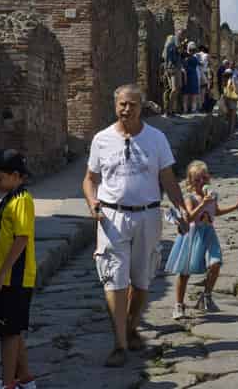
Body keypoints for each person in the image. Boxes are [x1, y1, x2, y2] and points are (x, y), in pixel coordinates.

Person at [83, 85, 187, 367]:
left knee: (141, 281)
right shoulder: (101, 139)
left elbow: (167, 177)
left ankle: (130, 329)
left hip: (148, 215)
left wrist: (181, 208)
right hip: (111, 218)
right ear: (115, 106)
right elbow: (90, 179)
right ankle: (119, 344)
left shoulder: (156, 139)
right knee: (114, 279)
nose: (126, 109)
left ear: (141, 107)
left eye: (132, 105)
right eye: (121, 105)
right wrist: (92, 202)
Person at [165, 160, 238, 320]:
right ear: (190, 182)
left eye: (204, 178)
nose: (201, 182)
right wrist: (202, 204)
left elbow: (216, 212)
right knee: (185, 272)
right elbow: (189, 218)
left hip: (209, 233)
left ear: (208, 179)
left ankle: (206, 296)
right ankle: (179, 305)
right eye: (197, 180)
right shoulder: (190, 198)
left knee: (215, 263)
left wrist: (236, 207)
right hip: (192, 235)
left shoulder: (212, 196)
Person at [0, 149, 37, 389]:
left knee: (8, 334)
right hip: (7, 277)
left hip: (14, 278)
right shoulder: (7, 199)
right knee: (11, 330)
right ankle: (24, 377)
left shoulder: (22, 200)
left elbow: (21, 239)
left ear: (16, 175)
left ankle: (8, 384)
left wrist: (2, 274)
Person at [161, 33, 183, 117]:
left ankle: (172, 109)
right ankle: (169, 110)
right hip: (172, 69)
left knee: (176, 89)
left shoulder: (174, 47)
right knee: (173, 89)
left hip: (176, 68)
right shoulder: (170, 47)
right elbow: (168, 59)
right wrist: (167, 70)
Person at [183, 42, 201, 113]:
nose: (192, 51)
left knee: (187, 94)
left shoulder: (186, 58)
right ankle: (191, 109)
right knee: (191, 94)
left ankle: (186, 109)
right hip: (191, 75)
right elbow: (199, 64)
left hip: (189, 75)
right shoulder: (193, 58)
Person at [220, 70, 238, 136]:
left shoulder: (223, 81)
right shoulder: (232, 80)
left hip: (225, 99)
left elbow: (223, 91)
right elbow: (235, 90)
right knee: (232, 117)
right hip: (232, 99)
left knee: (226, 116)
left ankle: (226, 132)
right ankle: (231, 132)